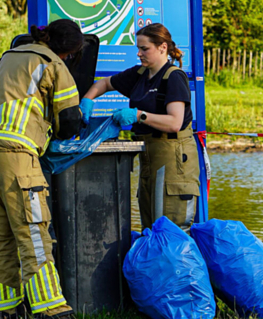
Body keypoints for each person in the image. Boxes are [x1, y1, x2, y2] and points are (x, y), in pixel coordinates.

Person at [0, 20, 86, 319]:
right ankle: (51, 311)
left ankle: (4, 313)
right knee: (33, 233)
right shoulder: (53, 63)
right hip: (15, 155)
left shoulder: (11, 55)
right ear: (70, 52)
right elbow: (70, 120)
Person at [81, 23, 200, 231]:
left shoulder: (173, 77)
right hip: (149, 156)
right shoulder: (140, 74)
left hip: (174, 159)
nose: (139, 54)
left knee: (172, 226)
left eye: (144, 49)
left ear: (162, 47)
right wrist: (88, 100)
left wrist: (139, 115)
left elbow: (174, 122)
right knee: (150, 223)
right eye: (138, 48)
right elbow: (106, 83)